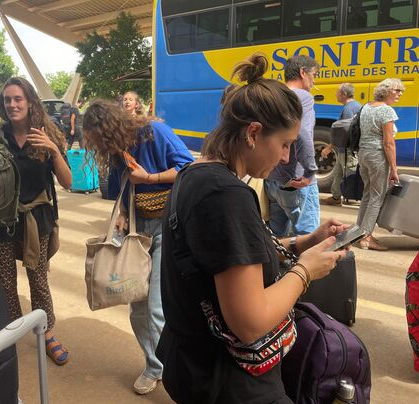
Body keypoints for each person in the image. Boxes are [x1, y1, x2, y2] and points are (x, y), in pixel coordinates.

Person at [156, 53, 347, 404]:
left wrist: (306, 241)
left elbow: (228, 256)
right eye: (285, 144)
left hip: (194, 365)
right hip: (229, 381)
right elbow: (250, 321)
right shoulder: (226, 193)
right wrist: (306, 271)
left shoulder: (197, 175)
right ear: (254, 133)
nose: (287, 157)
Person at [83, 99, 193, 395]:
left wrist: (150, 178)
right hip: (137, 230)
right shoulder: (118, 149)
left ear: (112, 129)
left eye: (101, 141)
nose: (101, 148)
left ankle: (178, 376)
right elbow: (124, 184)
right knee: (137, 309)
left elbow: (188, 168)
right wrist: (120, 214)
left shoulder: (154, 132)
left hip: (168, 228)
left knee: (157, 309)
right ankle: (155, 365)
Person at [0, 77, 72, 366]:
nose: (12, 105)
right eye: (7, 99)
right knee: (4, 282)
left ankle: (47, 333)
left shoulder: (46, 134)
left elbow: (68, 182)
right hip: (2, 221)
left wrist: (53, 150)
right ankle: (12, 332)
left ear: (30, 102)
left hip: (36, 220)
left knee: (38, 279)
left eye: (17, 99)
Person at [265, 55, 320, 236]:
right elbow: (303, 134)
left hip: (272, 180)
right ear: (303, 72)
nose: (314, 80)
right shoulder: (303, 97)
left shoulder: (273, 96)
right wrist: (310, 172)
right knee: (307, 236)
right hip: (296, 181)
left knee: (277, 236)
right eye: (314, 74)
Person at [355, 78, 404, 251]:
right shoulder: (386, 111)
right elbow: (388, 143)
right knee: (377, 197)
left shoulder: (367, 107)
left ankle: (358, 233)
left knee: (367, 194)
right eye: (397, 90)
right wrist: (394, 169)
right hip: (377, 156)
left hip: (363, 154)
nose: (400, 93)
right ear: (387, 90)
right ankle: (367, 237)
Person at [321, 83, 362, 206]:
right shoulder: (356, 106)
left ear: (344, 94)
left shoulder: (349, 109)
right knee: (339, 173)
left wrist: (329, 147)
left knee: (350, 173)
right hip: (345, 150)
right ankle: (336, 197)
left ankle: (353, 196)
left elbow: (344, 133)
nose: (336, 95)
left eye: (337, 93)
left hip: (348, 150)